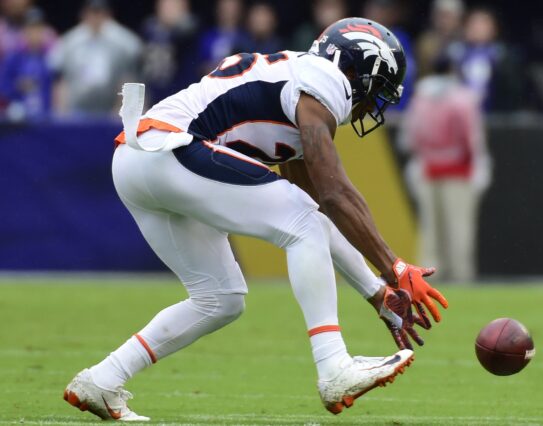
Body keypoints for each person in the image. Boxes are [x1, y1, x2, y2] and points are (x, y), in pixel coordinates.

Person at [62, 17, 448, 421]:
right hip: (171, 148)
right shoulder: (324, 80)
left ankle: (102, 380)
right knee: (302, 225)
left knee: (220, 299)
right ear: (355, 69)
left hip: (136, 160)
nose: (372, 105)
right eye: (378, 89)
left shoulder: (298, 85)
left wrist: (378, 293)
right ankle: (333, 365)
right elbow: (334, 197)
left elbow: (319, 209)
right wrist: (395, 267)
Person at [400, 58, 491, 283]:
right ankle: (461, 274)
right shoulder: (462, 99)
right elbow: (472, 138)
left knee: (430, 229)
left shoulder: (420, 99)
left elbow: (408, 139)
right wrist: (480, 164)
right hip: (459, 171)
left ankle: (429, 276)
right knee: (459, 226)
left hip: (428, 169)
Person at [47, 0, 141, 116]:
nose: (96, 18)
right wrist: (61, 111)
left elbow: (129, 77)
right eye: (92, 13)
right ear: (84, 15)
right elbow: (61, 79)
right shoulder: (70, 42)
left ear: (108, 15)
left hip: (111, 110)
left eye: (99, 13)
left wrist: (123, 111)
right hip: (76, 110)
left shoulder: (124, 42)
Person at [140, 0, 200, 105]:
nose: (167, 9)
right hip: (152, 95)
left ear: (184, 7)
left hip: (181, 97)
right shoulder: (149, 29)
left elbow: (185, 31)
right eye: (164, 4)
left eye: (173, 5)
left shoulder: (191, 31)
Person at [0, 7, 55, 120]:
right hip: (18, 117)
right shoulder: (13, 57)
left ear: (43, 30)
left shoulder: (50, 58)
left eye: (37, 28)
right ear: (24, 30)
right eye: (30, 28)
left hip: (45, 116)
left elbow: (55, 87)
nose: (34, 33)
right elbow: (3, 87)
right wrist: (18, 85)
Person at [414, 0, 465, 79]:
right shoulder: (426, 40)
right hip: (431, 82)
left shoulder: (466, 39)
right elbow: (425, 69)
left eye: (449, 16)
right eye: (441, 15)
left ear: (458, 18)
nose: (444, 21)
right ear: (433, 17)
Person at [197, 0, 247, 75]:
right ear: (218, 8)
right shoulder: (207, 36)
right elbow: (199, 65)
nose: (228, 10)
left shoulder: (246, 37)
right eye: (225, 6)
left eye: (232, 7)